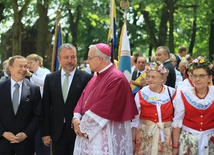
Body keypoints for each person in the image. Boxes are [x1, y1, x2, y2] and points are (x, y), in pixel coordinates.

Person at [72, 43, 138, 155]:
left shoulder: (117, 78)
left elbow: (104, 108)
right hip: (89, 135)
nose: (88, 61)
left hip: (104, 136)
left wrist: (82, 126)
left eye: (89, 58)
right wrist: (76, 118)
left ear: (99, 59)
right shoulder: (95, 77)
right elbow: (82, 99)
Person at [41, 43, 92, 155]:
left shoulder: (86, 78)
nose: (70, 60)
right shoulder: (50, 78)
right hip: (57, 131)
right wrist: (45, 132)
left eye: (73, 57)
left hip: (78, 131)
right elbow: (45, 106)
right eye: (66, 57)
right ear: (59, 59)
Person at [0, 55, 42, 155]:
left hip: (25, 145)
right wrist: (3, 133)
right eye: (20, 66)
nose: (24, 69)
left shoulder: (34, 89)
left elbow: (38, 116)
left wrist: (26, 134)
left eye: (26, 66)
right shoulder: (1, 88)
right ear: (11, 68)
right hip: (3, 143)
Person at [131, 61, 176, 155]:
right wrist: (133, 141)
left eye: (154, 77)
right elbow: (134, 121)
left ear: (162, 79)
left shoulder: (172, 93)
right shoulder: (141, 93)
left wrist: (176, 144)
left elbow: (177, 118)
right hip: (145, 135)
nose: (150, 80)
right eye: (148, 76)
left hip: (166, 135)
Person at [172, 58, 214, 155]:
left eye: (201, 76)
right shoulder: (183, 93)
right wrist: (175, 147)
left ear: (209, 77)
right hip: (188, 142)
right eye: (195, 76)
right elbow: (177, 121)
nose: (197, 79)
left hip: (210, 142)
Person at [26, 54, 51, 155]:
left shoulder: (46, 72)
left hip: (45, 107)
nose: (29, 65)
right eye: (27, 63)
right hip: (35, 107)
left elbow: (44, 83)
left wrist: (31, 75)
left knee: (43, 134)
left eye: (31, 62)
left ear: (38, 62)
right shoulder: (31, 76)